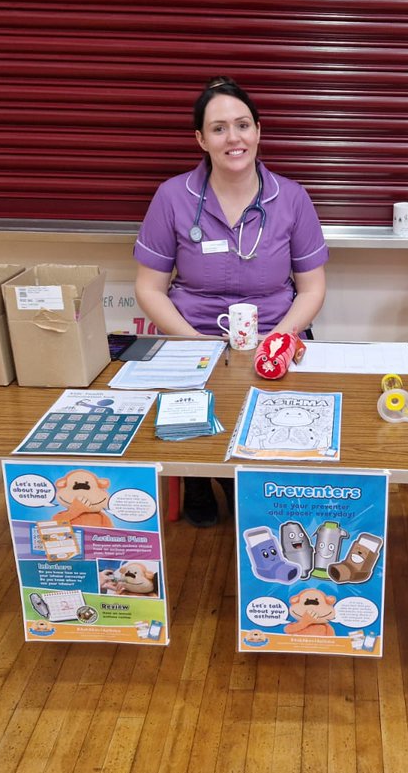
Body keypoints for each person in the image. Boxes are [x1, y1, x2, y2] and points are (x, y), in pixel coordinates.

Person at [134, 75, 328, 525]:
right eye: (218, 128)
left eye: (242, 125)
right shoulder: (172, 197)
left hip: (275, 334)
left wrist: (278, 338)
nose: (233, 138)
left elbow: (312, 287)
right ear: (201, 139)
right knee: (191, 422)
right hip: (193, 337)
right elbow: (149, 287)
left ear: (258, 131)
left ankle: (255, 487)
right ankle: (201, 480)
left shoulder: (292, 198)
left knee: (288, 429)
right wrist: (194, 343)